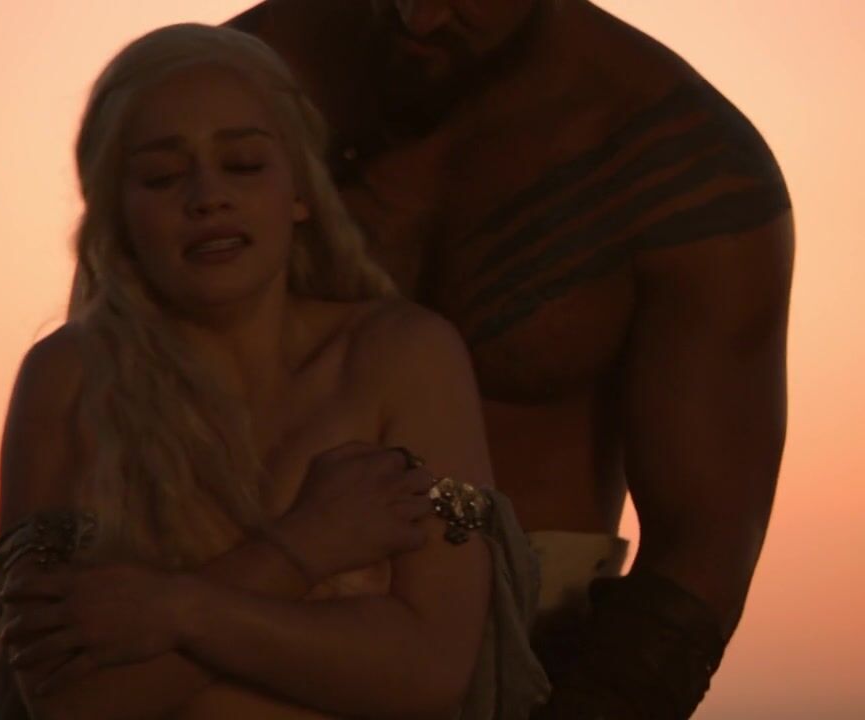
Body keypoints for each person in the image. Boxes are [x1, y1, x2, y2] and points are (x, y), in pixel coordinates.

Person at [227, 1, 795, 717]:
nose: (421, 19)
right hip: (218, 649)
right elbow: (113, 393)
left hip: (529, 675)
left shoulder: (684, 161)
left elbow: (702, 551)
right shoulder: (226, 92)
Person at [0, 23, 550, 720]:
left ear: (300, 189)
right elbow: (71, 704)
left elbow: (429, 674)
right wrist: (304, 548)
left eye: (243, 164)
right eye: (162, 176)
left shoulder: (402, 357)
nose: (207, 196)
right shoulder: (67, 378)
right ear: (117, 213)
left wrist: (168, 612)